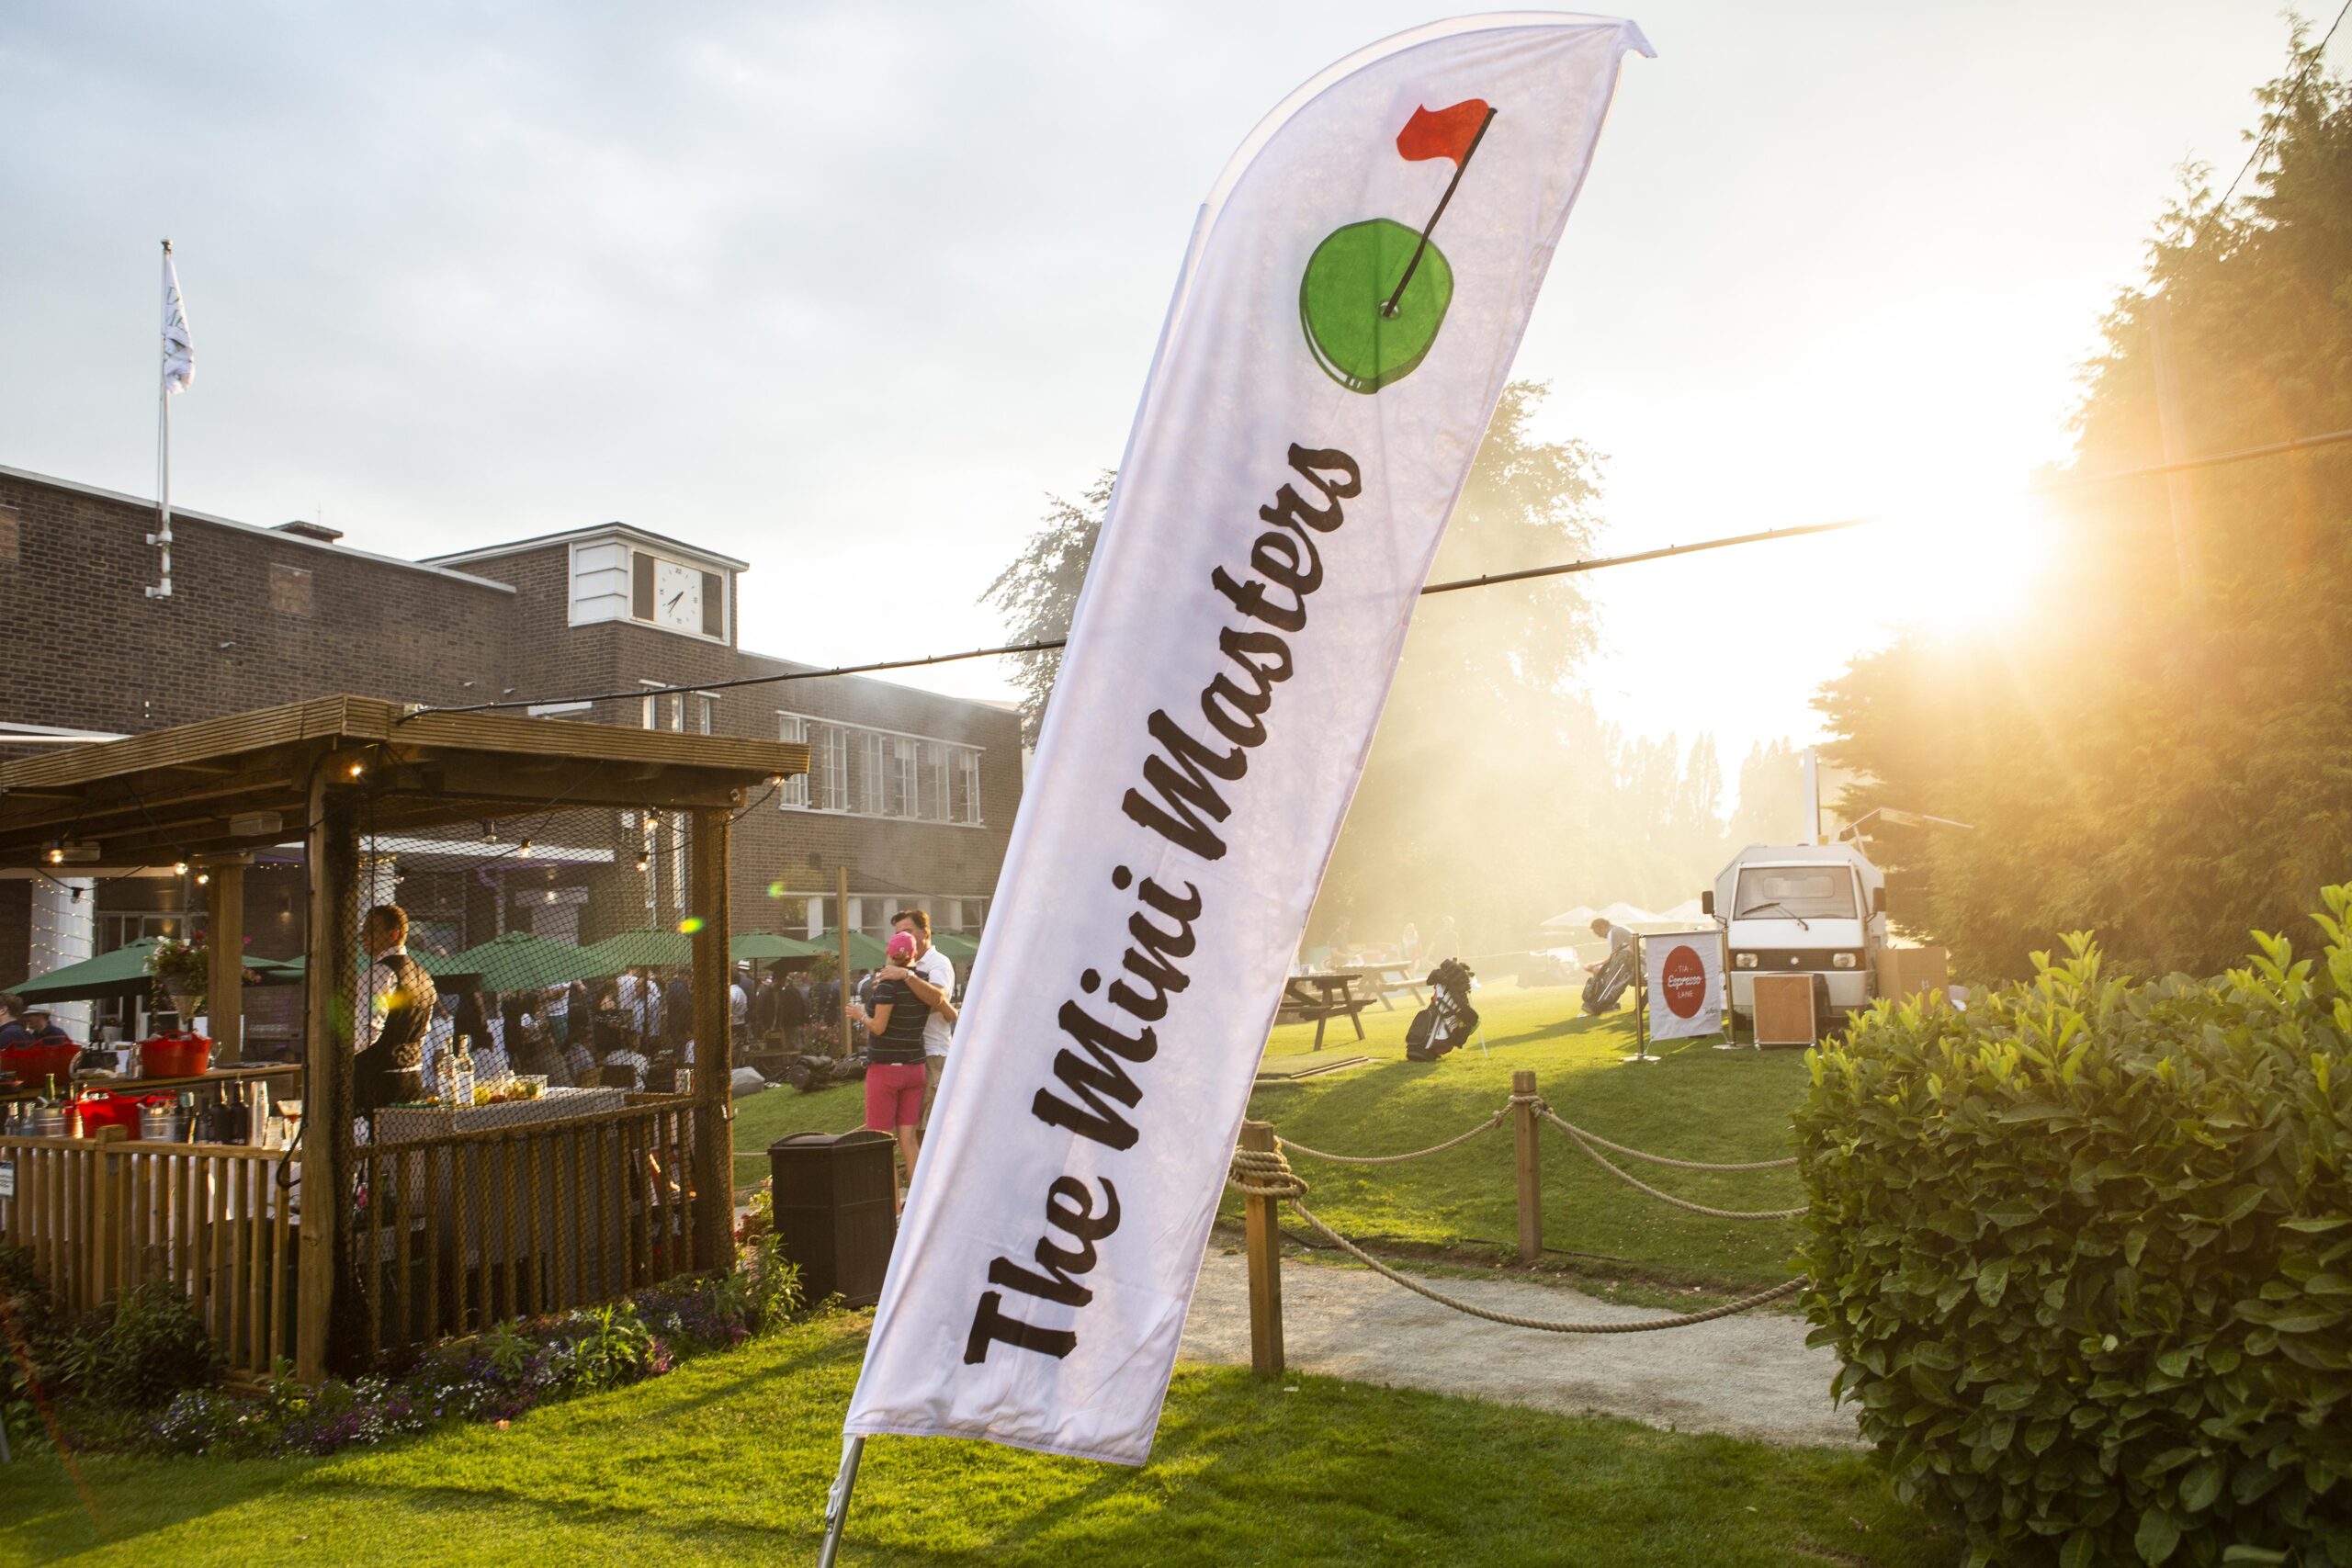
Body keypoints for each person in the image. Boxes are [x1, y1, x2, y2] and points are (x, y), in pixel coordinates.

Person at [850, 931, 932, 1207]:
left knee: (880, 1141)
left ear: (888, 954)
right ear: (912, 955)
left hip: (886, 1069)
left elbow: (879, 1027)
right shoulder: (922, 981)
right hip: (915, 1067)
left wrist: (861, 1015)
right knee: (908, 1140)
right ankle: (921, 1206)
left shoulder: (887, 987)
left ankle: (892, 1208)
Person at [356, 904, 438, 1119]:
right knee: (404, 1147)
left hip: (377, 1081)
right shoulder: (424, 977)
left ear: (394, 934)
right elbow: (424, 1029)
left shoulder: (379, 974)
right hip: (412, 1079)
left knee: (370, 1145)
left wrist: (336, 1057)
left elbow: (367, 1032)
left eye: (371, 929)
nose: (363, 935)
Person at [878, 908, 958, 1123]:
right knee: (909, 1127)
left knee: (928, 1124)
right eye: (897, 934)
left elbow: (937, 998)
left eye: (908, 931)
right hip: (908, 1057)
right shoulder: (899, 964)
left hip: (933, 1052)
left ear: (925, 932)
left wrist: (906, 976)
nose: (902, 937)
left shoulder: (938, 963)